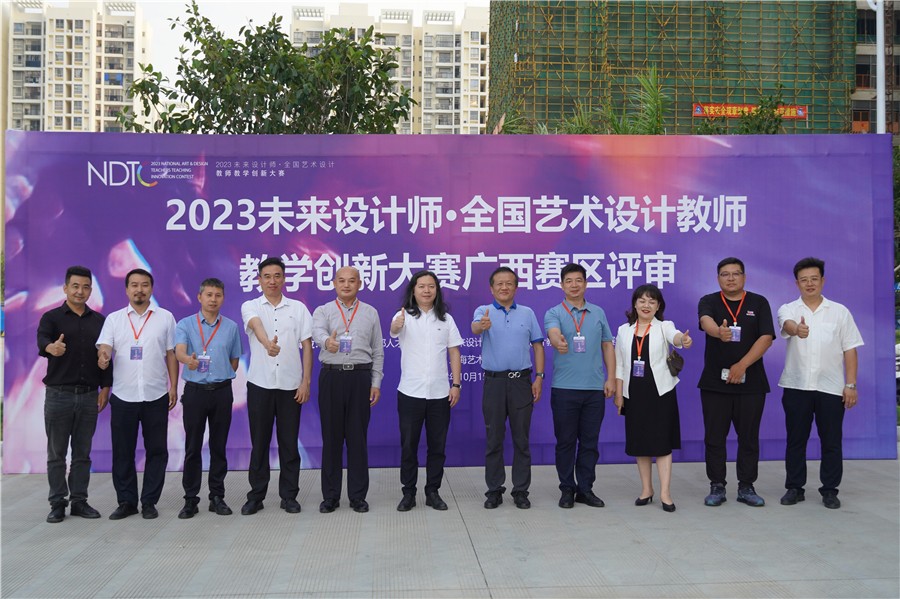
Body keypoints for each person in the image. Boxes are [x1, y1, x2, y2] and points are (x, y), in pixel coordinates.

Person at [777, 257, 863, 510]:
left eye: (814, 278)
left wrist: (851, 385)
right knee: (796, 440)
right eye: (804, 280)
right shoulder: (788, 309)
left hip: (831, 387)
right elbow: (787, 325)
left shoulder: (840, 312)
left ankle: (830, 490)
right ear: (797, 283)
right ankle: (795, 488)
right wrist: (797, 330)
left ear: (823, 281)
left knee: (831, 441)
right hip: (797, 386)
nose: (809, 284)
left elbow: (850, 349)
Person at [97, 268, 178, 520]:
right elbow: (104, 346)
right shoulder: (114, 319)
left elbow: (171, 354)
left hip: (156, 395)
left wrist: (174, 387)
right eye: (134, 285)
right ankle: (127, 502)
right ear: (127, 290)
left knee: (157, 451)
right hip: (124, 397)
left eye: (144, 285)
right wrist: (103, 356)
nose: (139, 290)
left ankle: (149, 501)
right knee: (123, 452)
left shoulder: (165, 317)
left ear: (151, 289)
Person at [698, 257, 775, 507]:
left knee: (749, 438)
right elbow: (706, 322)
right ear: (718, 278)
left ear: (744, 277)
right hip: (715, 384)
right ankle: (717, 485)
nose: (730, 278)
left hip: (751, 384)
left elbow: (766, 337)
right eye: (725, 274)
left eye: (735, 273)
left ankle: (746, 486)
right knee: (714, 438)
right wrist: (718, 332)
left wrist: (742, 365)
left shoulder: (759, 302)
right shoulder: (709, 301)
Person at [37, 265, 112, 523]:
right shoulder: (51, 318)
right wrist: (51, 348)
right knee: (56, 453)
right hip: (59, 395)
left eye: (86, 287)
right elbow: (42, 340)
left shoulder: (100, 321)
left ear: (91, 290)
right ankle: (57, 502)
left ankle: (79, 501)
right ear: (65, 288)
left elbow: (106, 356)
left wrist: (105, 387)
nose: (80, 291)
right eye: (75, 286)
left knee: (82, 454)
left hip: (89, 396)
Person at [240, 256, 313, 516]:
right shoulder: (250, 305)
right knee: (259, 443)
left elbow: (307, 346)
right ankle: (256, 496)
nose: (272, 281)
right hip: (260, 384)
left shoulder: (298, 308)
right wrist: (266, 344)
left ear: (284, 279)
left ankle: (289, 496)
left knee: (289, 444)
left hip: (291, 386)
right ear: (259, 280)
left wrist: (305, 382)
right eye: (267, 276)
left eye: (277, 276)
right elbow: (256, 325)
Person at [614, 284, 692, 513]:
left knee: (662, 444)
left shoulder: (663, 326)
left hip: (661, 393)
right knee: (641, 444)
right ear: (635, 304)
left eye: (652, 301)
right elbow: (619, 364)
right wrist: (619, 393)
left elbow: (675, 337)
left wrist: (682, 340)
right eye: (642, 301)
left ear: (658, 306)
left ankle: (665, 493)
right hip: (634, 393)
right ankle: (646, 489)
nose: (646, 305)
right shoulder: (623, 330)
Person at [312, 267, 384, 514]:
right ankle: (330, 496)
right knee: (331, 439)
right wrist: (327, 342)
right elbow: (317, 332)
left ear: (359, 284)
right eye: (341, 281)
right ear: (334, 283)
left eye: (351, 281)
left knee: (357, 439)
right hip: (332, 377)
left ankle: (357, 496)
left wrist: (376, 383)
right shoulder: (323, 310)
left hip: (360, 378)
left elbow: (378, 351)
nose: (346, 285)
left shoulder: (370, 312)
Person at [471, 266, 545, 510]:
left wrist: (539, 377)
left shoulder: (527, 313)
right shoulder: (483, 311)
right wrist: (482, 325)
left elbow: (538, 346)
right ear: (491, 288)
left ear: (516, 287)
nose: (504, 287)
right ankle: (494, 490)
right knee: (494, 439)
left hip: (521, 382)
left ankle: (521, 491)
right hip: (494, 382)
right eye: (499, 284)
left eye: (509, 283)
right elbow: (475, 328)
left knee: (521, 439)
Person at [544, 263, 616, 509]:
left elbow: (607, 345)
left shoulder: (598, 312)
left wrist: (611, 378)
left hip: (594, 389)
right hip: (564, 389)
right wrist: (558, 342)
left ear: (585, 284)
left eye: (578, 280)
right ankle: (567, 488)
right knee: (565, 442)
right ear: (562, 285)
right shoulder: (554, 312)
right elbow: (553, 333)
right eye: (569, 281)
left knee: (589, 443)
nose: (574, 285)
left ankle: (585, 489)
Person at [391, 270, 462, 512]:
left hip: (440, 394)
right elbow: (393, 330)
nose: (426, 290)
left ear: (437, 290)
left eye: (431, 286)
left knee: (437, 447)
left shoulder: (446, 319)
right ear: (413, 290)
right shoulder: (403, 316)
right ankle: (408, 493)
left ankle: (433, 491)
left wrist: (456, 384)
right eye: (421, 286)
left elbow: (454, 352)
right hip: (410, 393)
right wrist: (396, 324)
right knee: (408, 446)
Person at [174, 278, 243, 519]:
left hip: (222, 392)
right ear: (199, 297)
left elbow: (234, 360)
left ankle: (217, 497)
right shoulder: (185, 324)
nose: (213, 299)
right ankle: (190, 499)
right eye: (209, 295)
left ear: (223, 298)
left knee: (218, 446)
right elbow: (179, 351)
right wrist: (188, 360)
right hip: (195, 392)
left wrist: (221, 375)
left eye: (218, 295)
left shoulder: (231, 327)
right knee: (193, 447)